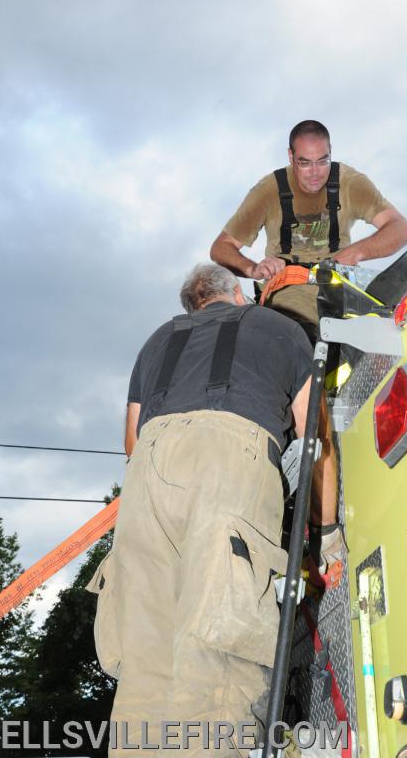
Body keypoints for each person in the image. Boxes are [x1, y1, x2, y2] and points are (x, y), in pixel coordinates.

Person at [89, 264, 339, 757]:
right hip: (227, 457)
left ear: (193, 306)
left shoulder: (158, 339)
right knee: (216, 646)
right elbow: (316, 438)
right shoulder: (281, 328)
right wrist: (327, 534)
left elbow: (130, 441)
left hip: (147, 476)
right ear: (240, 297)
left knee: (145, 656)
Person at [210, 119, 407, 332]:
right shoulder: (269, 190)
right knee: (300, 340)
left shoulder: (351, 183)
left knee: (388, 334)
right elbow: (221, 247)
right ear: (291, 156)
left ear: (331, 152)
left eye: (323, 161)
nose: (315, 173)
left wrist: (356, 253)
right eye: (305, 163)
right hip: (288, 286)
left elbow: (401, 228)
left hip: (340, 282)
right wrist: (253, 269)